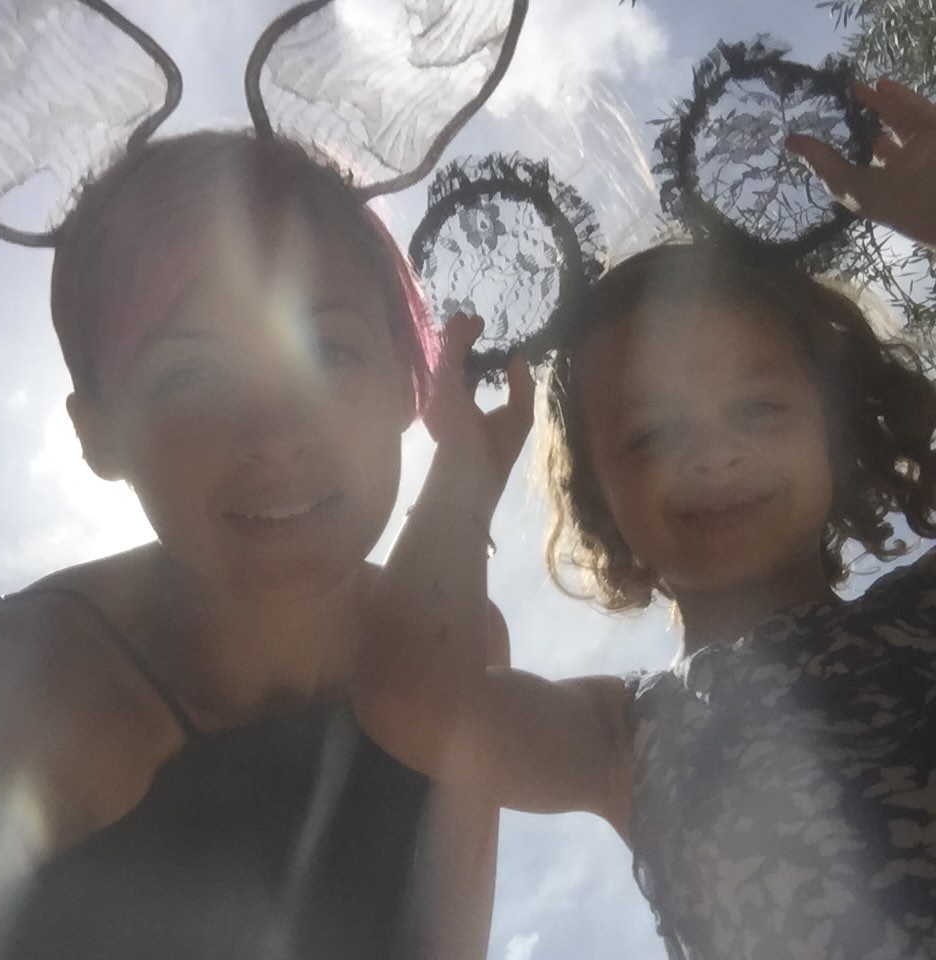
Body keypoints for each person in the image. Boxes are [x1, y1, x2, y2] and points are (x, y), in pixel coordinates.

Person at [357, 78, 936, 959]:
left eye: (758, 409)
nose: (712, 452)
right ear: (602, 502)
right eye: (657, 434)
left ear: (838, 431)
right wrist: (464, 473)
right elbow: (414, 698)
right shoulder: (623, 738)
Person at [0, 130, 507, 960]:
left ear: (412, 379)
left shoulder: (462, 647)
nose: (277, 432)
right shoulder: (11, 692)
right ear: (100, 435)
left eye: (329, 349)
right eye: (190, 375)